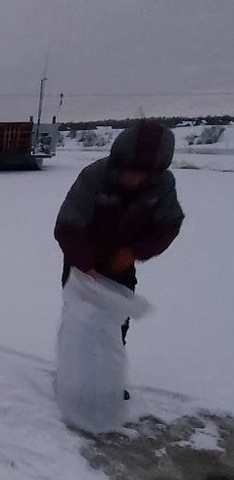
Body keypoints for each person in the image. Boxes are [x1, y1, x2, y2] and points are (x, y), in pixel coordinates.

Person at [54, 120, 184, 344]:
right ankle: (71, 370)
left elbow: (169, 224)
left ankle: (107, 369)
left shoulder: (162, 185)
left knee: (115, 323)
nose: (132, 177)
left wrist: (134, 251)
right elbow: (68, 224)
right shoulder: (94, 176)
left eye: (141, 173)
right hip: (81, 260)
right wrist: (85, 266)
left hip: (120, 264)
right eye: (128, 170)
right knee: (78, 318)